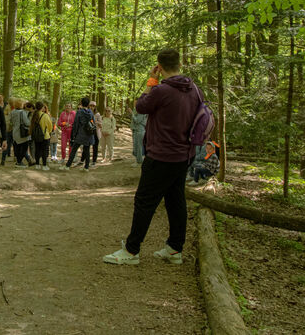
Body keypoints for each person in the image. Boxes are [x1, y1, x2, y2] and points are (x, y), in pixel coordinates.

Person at [104, 48, 204, 266]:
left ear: (159, 65)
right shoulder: (194, 90)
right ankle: (174, 249)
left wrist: (151, 80)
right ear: (180, 63)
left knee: (144, 201)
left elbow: (140, 107)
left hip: (160, 155)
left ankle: (131, 251)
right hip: (183, 155)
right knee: (176, 200)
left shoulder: (161, 90)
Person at [62, 97, 94, 171]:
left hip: (80, 134)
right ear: (88, 104)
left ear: (81, 103)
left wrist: (73, 135)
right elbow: (93, 123)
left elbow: (76, 124)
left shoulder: (79, 112)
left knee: (74, 150)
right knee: (87, 151)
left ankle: (67, 166)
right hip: (88, 134)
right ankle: (86, 167)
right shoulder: (91, 112)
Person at [29, 101, 53, 170]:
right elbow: (50, 126)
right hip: (45, 135)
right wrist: (48, 131)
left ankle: (37, 164)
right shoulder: (45, 115)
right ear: (42, 107)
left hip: (36, 135)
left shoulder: (34, 115)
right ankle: (44, 165)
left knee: (37, 150)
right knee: (44, 151)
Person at [11, 99, 32, 167]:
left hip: (15, 131)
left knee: (17, 148)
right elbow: (27, 122)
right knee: (24, 148)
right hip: (22, 133)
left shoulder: (13, 111)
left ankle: (18, 161)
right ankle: (19, 162)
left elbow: (11, 121)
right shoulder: (22, 112)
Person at [1, 98, 15, 166]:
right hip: (9, 129)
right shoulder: (8, 108)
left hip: (12, 129)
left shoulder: (14, 108)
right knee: (7, 143)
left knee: (11, 144)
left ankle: (11, 157)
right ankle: (3, 159)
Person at [89, 101, 102, 165]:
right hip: (88, 132)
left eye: (93, 106)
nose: (92, 107)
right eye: (91, 105)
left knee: (95, 146)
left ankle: (94, 160)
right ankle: (86, 159)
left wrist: (95, 122)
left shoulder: (97, 114)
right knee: (87, 146)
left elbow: (100, 124)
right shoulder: (87, 113)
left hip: (95, 132)